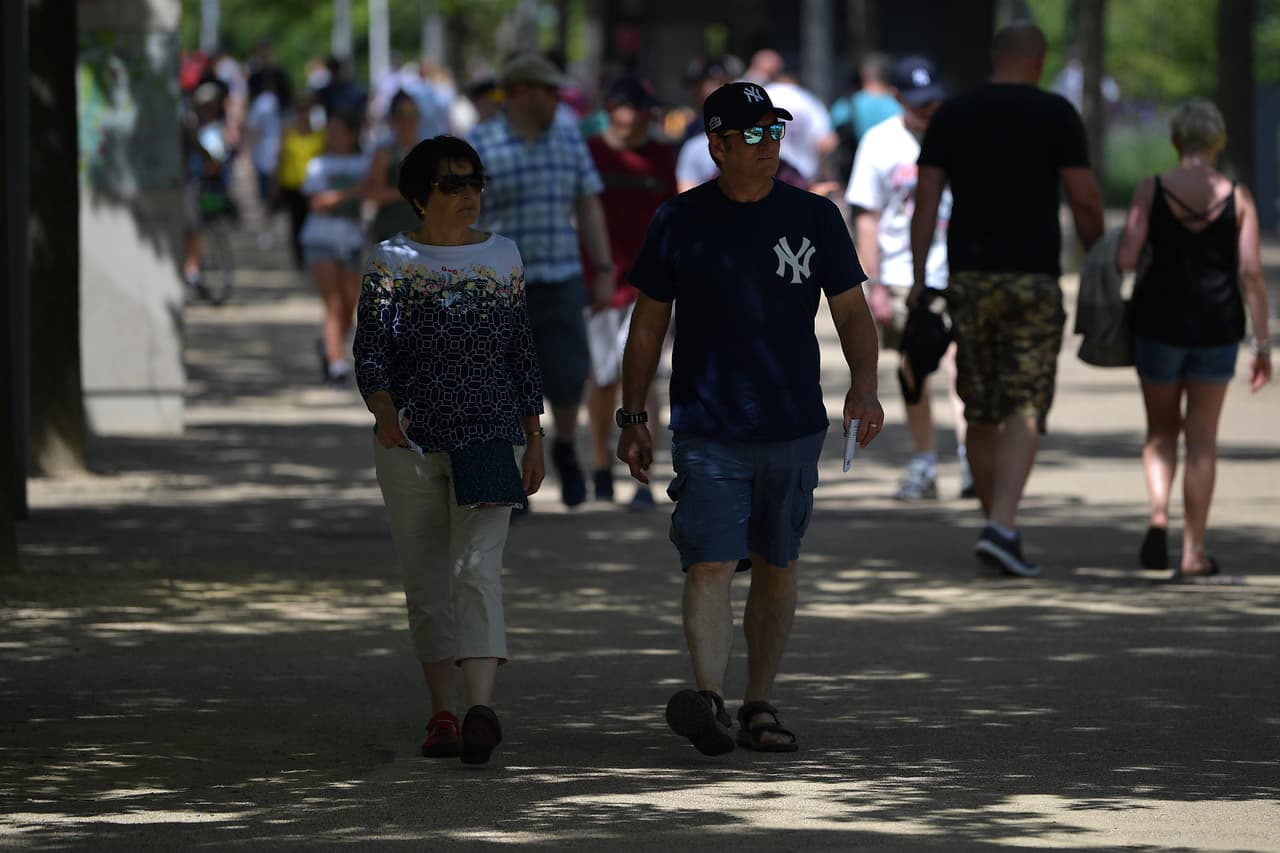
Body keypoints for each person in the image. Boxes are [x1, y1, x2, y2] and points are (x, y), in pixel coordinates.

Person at [618, 81, 883, 755]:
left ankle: (758, 702)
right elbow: (647, 325)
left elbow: (852, 312)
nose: (771, 146)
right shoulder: (679, 221)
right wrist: (633, 413)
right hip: (709, 426)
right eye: (755, 135)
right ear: (717, 145)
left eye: (776, 131)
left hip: (792, 422)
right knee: (709, 560)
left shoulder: (816, 216)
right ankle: (709, 699)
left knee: (775, 562)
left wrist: (866, 386)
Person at [353, 135, 546, 765]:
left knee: (478, 569)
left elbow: (522, 351)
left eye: (474, 182)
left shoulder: (503, 257)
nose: (468, 194)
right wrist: (383, 411)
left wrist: (535, 436)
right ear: (417, 197)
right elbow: (371, 348)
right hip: (409, 438)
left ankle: (481, 708)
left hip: (490, 434)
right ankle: (442, 711)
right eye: (452, 184)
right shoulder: (391, 260)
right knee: (427, 577)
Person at [910, 22, 1104, 578]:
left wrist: (923, 275)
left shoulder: (954, 113)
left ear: (995, 57)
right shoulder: (1057, 114)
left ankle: (996, 522)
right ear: (1039, 60)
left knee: (980, 403)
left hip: (970, 278)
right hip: (1033, 280)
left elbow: (926, 197)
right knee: (1024, 401)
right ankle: (1002, 524)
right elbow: (1086, 199)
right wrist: (1098, 261)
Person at [1116, 99, 1272, 578]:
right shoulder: (1237, 196)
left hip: (1157, 323)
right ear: (1218, 142)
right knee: (1202, 438)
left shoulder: (1152, 188)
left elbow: (1126, 257)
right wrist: (1262, 344)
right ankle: (1192, 552)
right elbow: (1250, 274)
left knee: (1160, 432)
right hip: (1217, 327)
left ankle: (1158, 515)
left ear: (1175, 141)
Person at [468, 53, 615, 508]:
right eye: (551, 91)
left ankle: (566, 448)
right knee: (502, 382)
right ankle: (516, 475)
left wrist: (605, 268)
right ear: (523, 92)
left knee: (570, 376)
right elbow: (460, 215)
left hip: (561, 276)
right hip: (498, 286)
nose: (559, 98)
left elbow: (588, 203)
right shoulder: (480, 143)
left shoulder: (569, 135)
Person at [845, 55, 971, 501]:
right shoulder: (879, 143)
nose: (928, 109)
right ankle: (926, 461)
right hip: (899, 275)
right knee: (915, 369)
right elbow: (868, 219)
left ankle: (969, 457)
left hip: (955, 269)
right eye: (918, 103)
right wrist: (873, 283)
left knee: (962, 364)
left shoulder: (961, 133)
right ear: (897, 98)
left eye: (934, 100)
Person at [583, 75, 678, 508]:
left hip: (652, 287)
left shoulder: (662, 155)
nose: (642, 118)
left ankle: (645, 477)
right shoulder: (590, 154)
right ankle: (600, 464)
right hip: (600, 284)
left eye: (647, 111)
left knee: (648, 378)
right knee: (603, 379)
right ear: (614, 108)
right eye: (635, 109)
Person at [299, 112, 369, 385]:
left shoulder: (364, 162)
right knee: (333, 302)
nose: (335, 137)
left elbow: (372, 189)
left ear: (352, 134)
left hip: (351, 239)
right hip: (319, 238)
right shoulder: (317, 165)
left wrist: (338, 196)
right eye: (332, 131)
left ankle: (329, 346)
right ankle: (337, 364)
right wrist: (351, 192)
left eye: (340, 131)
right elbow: (316, 203)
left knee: (350, 301)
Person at [273, 90, 326, 270]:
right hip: (293, 185)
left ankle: (314, 258)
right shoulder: (287, 133)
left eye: (307, 108)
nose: (304, 112)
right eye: (300, 109)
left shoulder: (320, 134)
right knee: (296, 224)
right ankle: (300, 260)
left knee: (314, 224)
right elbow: (279, 159)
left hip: (314, 188)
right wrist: (276, 185)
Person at [365, 90, 424, 243]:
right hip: (391, 236)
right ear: (392, 119)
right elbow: (373, 194)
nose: (408, 120)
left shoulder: (429, 152)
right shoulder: (385, 154)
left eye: (413, 113)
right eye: (402, 114)